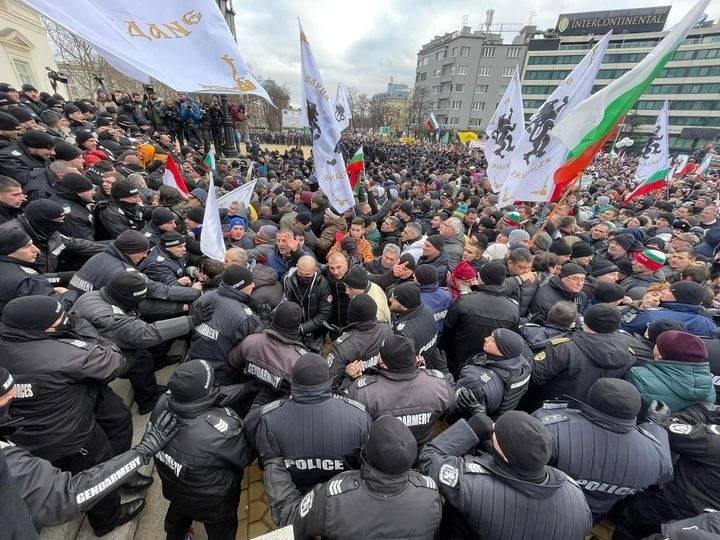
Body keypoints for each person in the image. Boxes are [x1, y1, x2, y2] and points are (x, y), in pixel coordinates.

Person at [0, 296, 146, 536]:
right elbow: (115, 362)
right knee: (96, 462)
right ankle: (107, 518)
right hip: (68, 433)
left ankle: (121, 475)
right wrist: (81, 327)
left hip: (28, 428)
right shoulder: (63, 354)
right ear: (46, 329)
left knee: (117, 418)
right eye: (61, 318)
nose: (66, 319)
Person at [1, 365, 178, 529]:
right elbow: (66, 496)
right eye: (4, 395)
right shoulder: (9, 459)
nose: (14, 394)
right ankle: (106, 520)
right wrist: (141, 453)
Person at [260, 415, 443, 539]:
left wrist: (273, 463)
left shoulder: (333, 497)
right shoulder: (430, 493)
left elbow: (289, 519)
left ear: (365, 453)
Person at [419, 409, 592, 539]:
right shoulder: (575, 496)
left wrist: (469, 429)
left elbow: (429, 459)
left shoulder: (472, 484)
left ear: (503, 455)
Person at [532, 378, 673, 522]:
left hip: (539, 507)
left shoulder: (552, 427)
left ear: (589, 397)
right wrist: (656, 425)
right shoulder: (656, 456)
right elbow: (665, 473)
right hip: (588, 517)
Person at [70, 272, 212, 414]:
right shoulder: (110, 319)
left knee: (143, 357)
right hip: (94, 358)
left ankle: (150, 389)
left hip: (95, 342)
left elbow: (146, 306)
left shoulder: (96, 295)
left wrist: (183, 307)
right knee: (140, 359)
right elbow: (148, 333)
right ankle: (148, 402)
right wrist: (191, 321)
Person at [151, 360, 252, 540]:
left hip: (174, 486)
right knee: (222, 532)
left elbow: (212, 396)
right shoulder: (220, 432)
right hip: (213, 502)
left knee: (178, 516)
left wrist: (245, 388)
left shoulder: (162, 403)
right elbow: (244, 456)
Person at [244, 353, 372, 493]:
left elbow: (250, 433)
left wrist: (263, 397)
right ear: (328, 380)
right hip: (340, 495)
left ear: (293, 379)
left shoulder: (267, 417)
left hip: (290, 492)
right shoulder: (359, 416)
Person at [613, 402, 720, 540]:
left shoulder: (713, 440)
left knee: (631, 520)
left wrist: (702, 411)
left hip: (674, 505)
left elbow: (670, 428)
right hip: (705, 517)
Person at [345, 334, 455, 446]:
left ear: (385, 366)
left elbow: (348, 420)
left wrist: (349, 380)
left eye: (381, 355)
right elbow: (450, 409)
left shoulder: (363, 392)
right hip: (423, 450)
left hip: (382, 453)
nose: (378, 356)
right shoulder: (439, 385)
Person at [70, 230, 200, 315]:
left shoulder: (99, 257)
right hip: (96, 315)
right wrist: (194, 293)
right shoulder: (123, 272)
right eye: (143, 252)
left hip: (79, 306)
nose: (145, 256)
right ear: (130, 251)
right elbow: (155, 293)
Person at [529, 304, 637, 406]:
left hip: (552, 409)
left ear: (585, 320)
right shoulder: (628, 354)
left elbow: (535, 375)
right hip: (593, 413)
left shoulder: (564, 348)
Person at [443, 260, 519, 376]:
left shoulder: (464, 301)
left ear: (483, 278)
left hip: (459, 360)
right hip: (490, 367)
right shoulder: (513, 308)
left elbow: (447, 330)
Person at [188, 266, 262, 385]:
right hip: (221, 374)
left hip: (193, 362)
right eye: (250, 282)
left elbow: (190, 325)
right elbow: (251, 348)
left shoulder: (204, 297)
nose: (253, 285)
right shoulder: (245, 317)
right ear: (239, 286)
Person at [230, 302, 308, 406]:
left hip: (242, 403)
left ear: (275, 318)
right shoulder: (299, 360)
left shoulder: (251, 341)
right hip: (273, 414)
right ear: (297, 326)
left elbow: (232, 364)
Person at [625, 330, 716, 416]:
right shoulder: (708, 383)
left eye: (657, 344)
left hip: (648, 429)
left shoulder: (638, 376)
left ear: (661, 354)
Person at [455, 328, 531, 419]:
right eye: (491, 335)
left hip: (473, 421)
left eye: (493, 340)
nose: (486, 339)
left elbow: (455, 404)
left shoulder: (477, 381)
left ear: (502, 351)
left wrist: (444, 371)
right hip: (499, 415)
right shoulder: (524, 366)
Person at [327, 294, 394, 385]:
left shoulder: (343, 346)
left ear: (351, 315)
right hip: (382, 384)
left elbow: (329, 381)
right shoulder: (387, 329)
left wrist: (347, 375)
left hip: (354, 390)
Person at [621, 281, 718, 337]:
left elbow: (623, 330)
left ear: (677, 297)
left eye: (669, 291)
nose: (664, 293)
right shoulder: (709, 324)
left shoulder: (651, 315)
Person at [282, 255, 333, 352]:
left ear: (315, 270)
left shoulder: (323, 284)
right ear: (296, 266)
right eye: (300, 273)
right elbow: (283, 303)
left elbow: (325, 314)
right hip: (293, 325)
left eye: (308, 275)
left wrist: (303, 328)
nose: (304, 277)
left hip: (315, 330)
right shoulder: (287, 279)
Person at [50, 172, 96, 240]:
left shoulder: (70, 199)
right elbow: (87, 241)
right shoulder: (70, 215)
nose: (93, 192)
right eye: (90, 190)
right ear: (78, 191)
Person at [415, 263, 453, 337]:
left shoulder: (418, 300)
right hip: (441, 336)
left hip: (425, 338)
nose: (413, 275)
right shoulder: (447, 295)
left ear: (420, 279)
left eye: (415, 275)